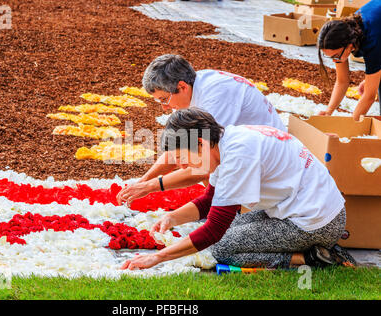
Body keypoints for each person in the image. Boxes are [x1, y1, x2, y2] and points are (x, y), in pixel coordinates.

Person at [121, 108, 353, 271]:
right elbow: (210, 201)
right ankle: (315, 250)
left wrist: (157, 258)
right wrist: (172, 217)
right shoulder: (226, 141)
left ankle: (309, 258)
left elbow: (214, 230)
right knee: (222, 233)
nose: (182, 167)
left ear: (200, 143)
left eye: (183, 157)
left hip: (317, 223)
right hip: (308, 210)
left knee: (221, 248)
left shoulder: (237, 156)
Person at [117, 54, 285, 205]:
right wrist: (143, 182)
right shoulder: (191, 88)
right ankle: (216, 205)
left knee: (208, 163)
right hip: (251, 152)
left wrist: (150, 186)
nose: (164, 108)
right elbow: (180, 148)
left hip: (269, 164)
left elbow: (205, 164)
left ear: (182, 87)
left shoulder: (214, 99)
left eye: (164, 99)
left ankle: (226, 209)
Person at [317, 0, 381, 120]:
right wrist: (328, 112)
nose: (335, 61)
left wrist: (350, 128)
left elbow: (369, 97)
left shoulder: (372, 41)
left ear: (349, 44)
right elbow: (342, 81)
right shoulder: (344, 32)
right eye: (330, 57)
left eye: (336, 56)